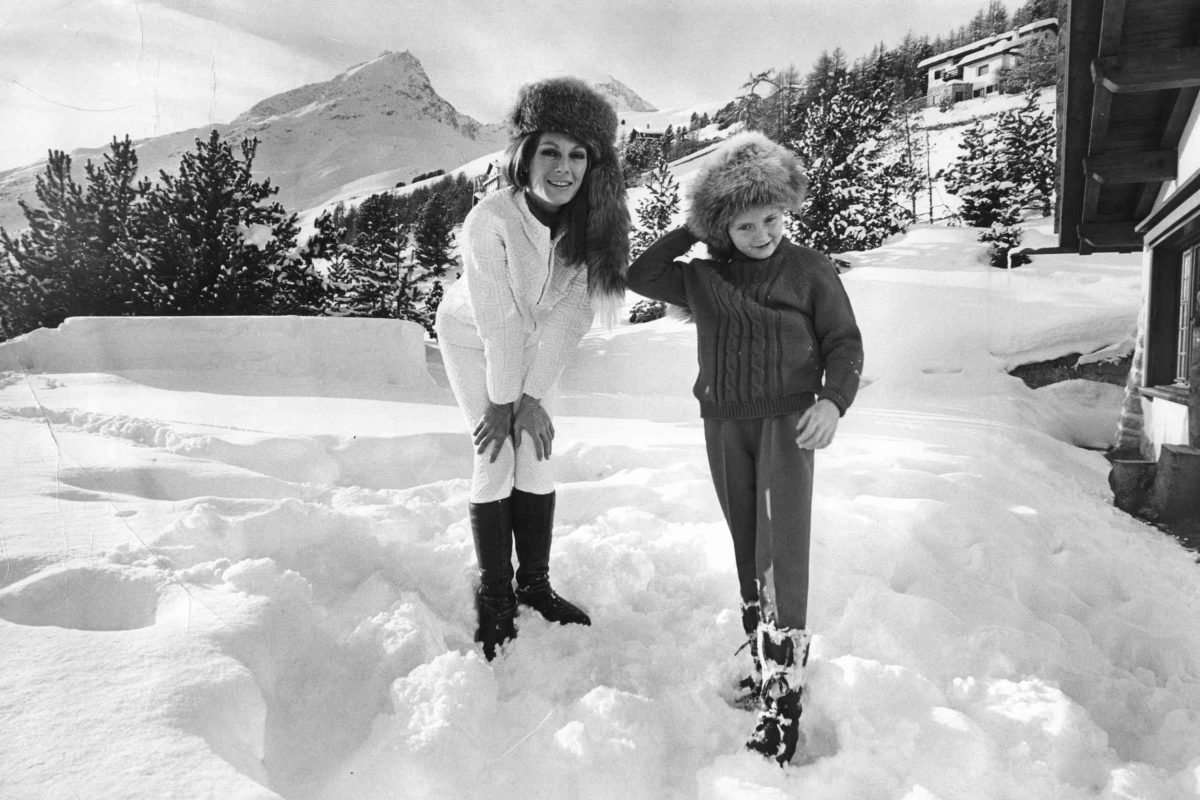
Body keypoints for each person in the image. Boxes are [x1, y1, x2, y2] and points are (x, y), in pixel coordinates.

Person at [626, 132, 863, 765]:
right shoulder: (703, 278)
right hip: (725, 423)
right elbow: (640, 274)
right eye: (743, 223)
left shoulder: (810, 268)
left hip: (789, 423)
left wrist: (832, 401)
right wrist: (693, 227)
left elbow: (844, 343)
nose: (761, 234)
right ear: (720, 227)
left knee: (781, 549)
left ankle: (783, 700)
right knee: (745, 543)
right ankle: (761, 655)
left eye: (771, 218)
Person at [434, 77, 630, 662]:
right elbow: (495, 323)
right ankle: (496, 593)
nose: (563, 167)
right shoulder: (490, 220)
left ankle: (534, 585)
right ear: (525, 154)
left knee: (536, 448)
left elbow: (571, 318)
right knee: (493, 451)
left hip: (531, 340)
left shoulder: (592, 225)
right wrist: (502, 403)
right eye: (551, 150)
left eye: (577, 154)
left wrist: (534, 398)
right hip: (472, 337)